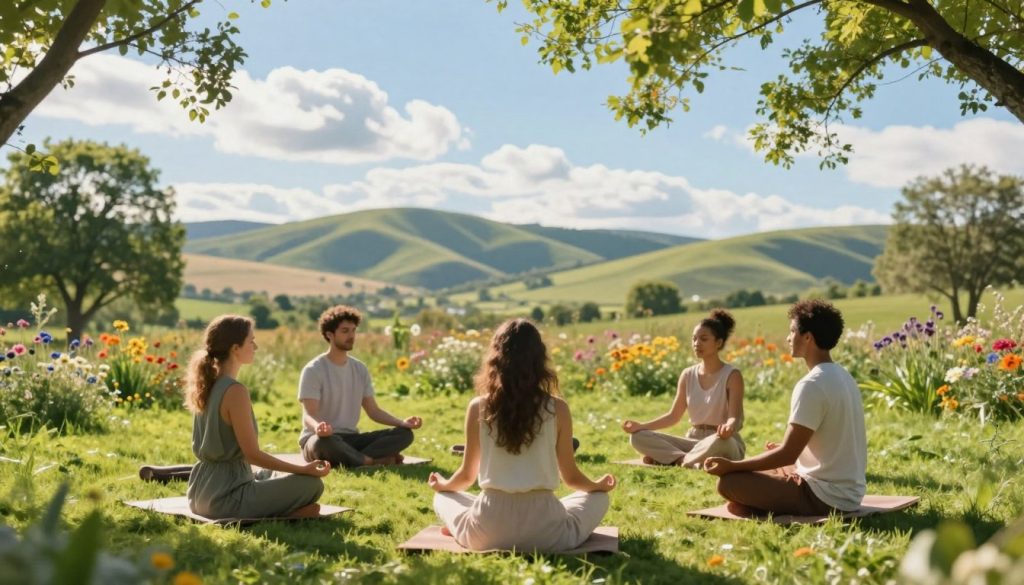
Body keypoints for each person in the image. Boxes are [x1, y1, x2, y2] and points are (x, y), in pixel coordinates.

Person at [428, 318, 615, 552]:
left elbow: (466, 477)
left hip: (487, 531)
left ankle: (459, 528)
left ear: (496, 358)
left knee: (444, 498)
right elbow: (571, 478)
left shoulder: (478, 406)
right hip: (547, 533)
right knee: (598, 498)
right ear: (539, 358)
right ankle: (463, 525)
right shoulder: (558, 408)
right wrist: (598, 485)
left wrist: (443, 485)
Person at [704, 299, 867, 517]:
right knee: (764, 466)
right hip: (850, 492)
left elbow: (788, 455)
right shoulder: (843, 376)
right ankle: (762, 501)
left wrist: (731, 466)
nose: (788, 338)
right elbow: (827, 439)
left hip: (826, 497)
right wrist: (787, 451)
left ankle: (761, 503)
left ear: (807, 337)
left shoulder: (811, 384)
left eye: (792, 331)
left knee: (729, 483)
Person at [185, 315, 329, 519]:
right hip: (225, 498)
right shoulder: (235, 391)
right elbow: (252, 455)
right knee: (311, 484)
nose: (256, 347)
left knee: (271, 474)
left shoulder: (208, 385)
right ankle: (288, 515)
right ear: (235, 348)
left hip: (199, 494)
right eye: (251, 341)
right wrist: (303, 469)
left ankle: (291, 511)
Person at [299, 305, 422, 468]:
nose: (351, 336)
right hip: (320, 439)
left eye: (353, 330)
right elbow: (309, 415)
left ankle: (355, 458)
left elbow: (373, 411)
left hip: (351, 440)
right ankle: (371, 461)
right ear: (329, 334)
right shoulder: (313, 370)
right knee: (324, 443)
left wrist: (402, 423)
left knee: (404, 435)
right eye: (345, 331)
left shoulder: (360, 369)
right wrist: (318, 428)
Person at [621, 309, 746, 468]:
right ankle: (685, 460)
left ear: (718, 343)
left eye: (703, 339)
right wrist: (641, 426)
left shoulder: (732, 375)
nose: (696, 343)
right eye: (694, 339)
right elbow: (673, 416)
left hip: (722, 441)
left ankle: (669, 459)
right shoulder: (687, 375)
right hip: (693, 442)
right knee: (637, 437)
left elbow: (734, 417)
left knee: (719, 442)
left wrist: (729, 427)